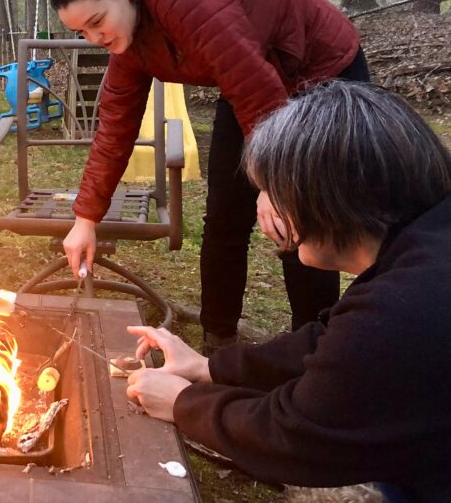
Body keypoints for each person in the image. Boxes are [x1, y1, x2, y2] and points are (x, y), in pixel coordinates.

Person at [125, 81, 451, 501]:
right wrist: (209, 369)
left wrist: (183, 403)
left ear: (329, 197)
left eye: (273, 190)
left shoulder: (404, 309)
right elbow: (331, 343)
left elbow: (295, 433)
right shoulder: (422, 250)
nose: (264, 206)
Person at [50, 0, 369, 352]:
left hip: (320, 69)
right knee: (224, 214)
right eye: (82, 32)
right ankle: (218, 344)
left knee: (301, 215)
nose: (95, 39)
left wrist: (276, 184)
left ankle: (313, 348)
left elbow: (254, 83)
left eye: (96, 22)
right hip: (251, 81)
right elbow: (113, 128)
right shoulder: (130, 42)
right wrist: (86, 218)